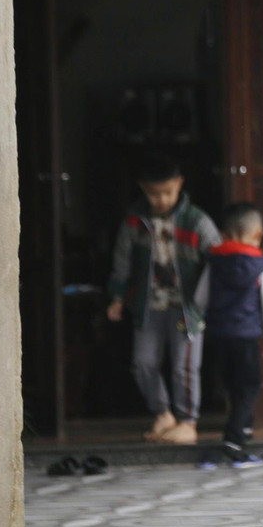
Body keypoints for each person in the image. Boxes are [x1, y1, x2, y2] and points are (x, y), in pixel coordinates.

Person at [106, 153, 221, 445]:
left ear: (180, 184)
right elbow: (122, 262)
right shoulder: (135, 222)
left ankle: (187, 421)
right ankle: (163, 414)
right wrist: (117, 298)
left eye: (168, 192)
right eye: (155, 194)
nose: (162, 200)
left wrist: (212, 299)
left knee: (184, 366)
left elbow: (218, 260)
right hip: (148, 307)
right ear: (144, 189)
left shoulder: (197, 221)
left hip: (187, 311)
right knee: (142, 362)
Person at [200, 203, 263, 469]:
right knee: (250, 387)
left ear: (224, 234)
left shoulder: (214, 262)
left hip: (219, 335)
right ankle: (233, 443)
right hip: (246, 336)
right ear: (259, 233)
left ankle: (244, 432)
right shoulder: (261, 266)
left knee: (233, 386)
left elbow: (199, 299)